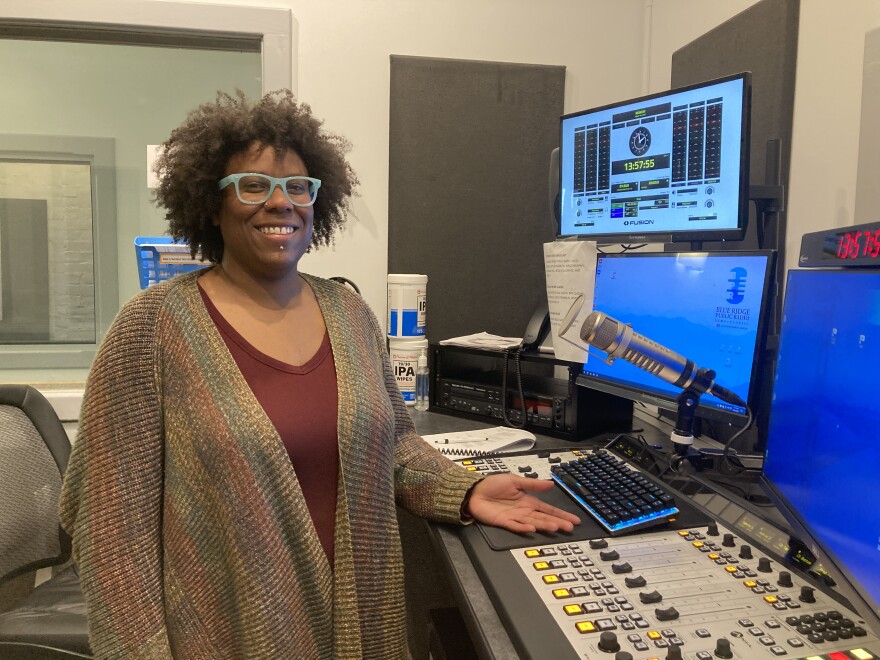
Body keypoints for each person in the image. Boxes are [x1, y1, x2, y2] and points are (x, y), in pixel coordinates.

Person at [60, 90, 579, 659]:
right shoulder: (151, 329)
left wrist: (467, 489)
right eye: (252, 186)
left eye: (297, 188)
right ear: (211, 205)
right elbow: (111, 533)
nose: (279, 203)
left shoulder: (349, 313)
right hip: (228, 636)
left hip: (363, 627)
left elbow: (396, 445)